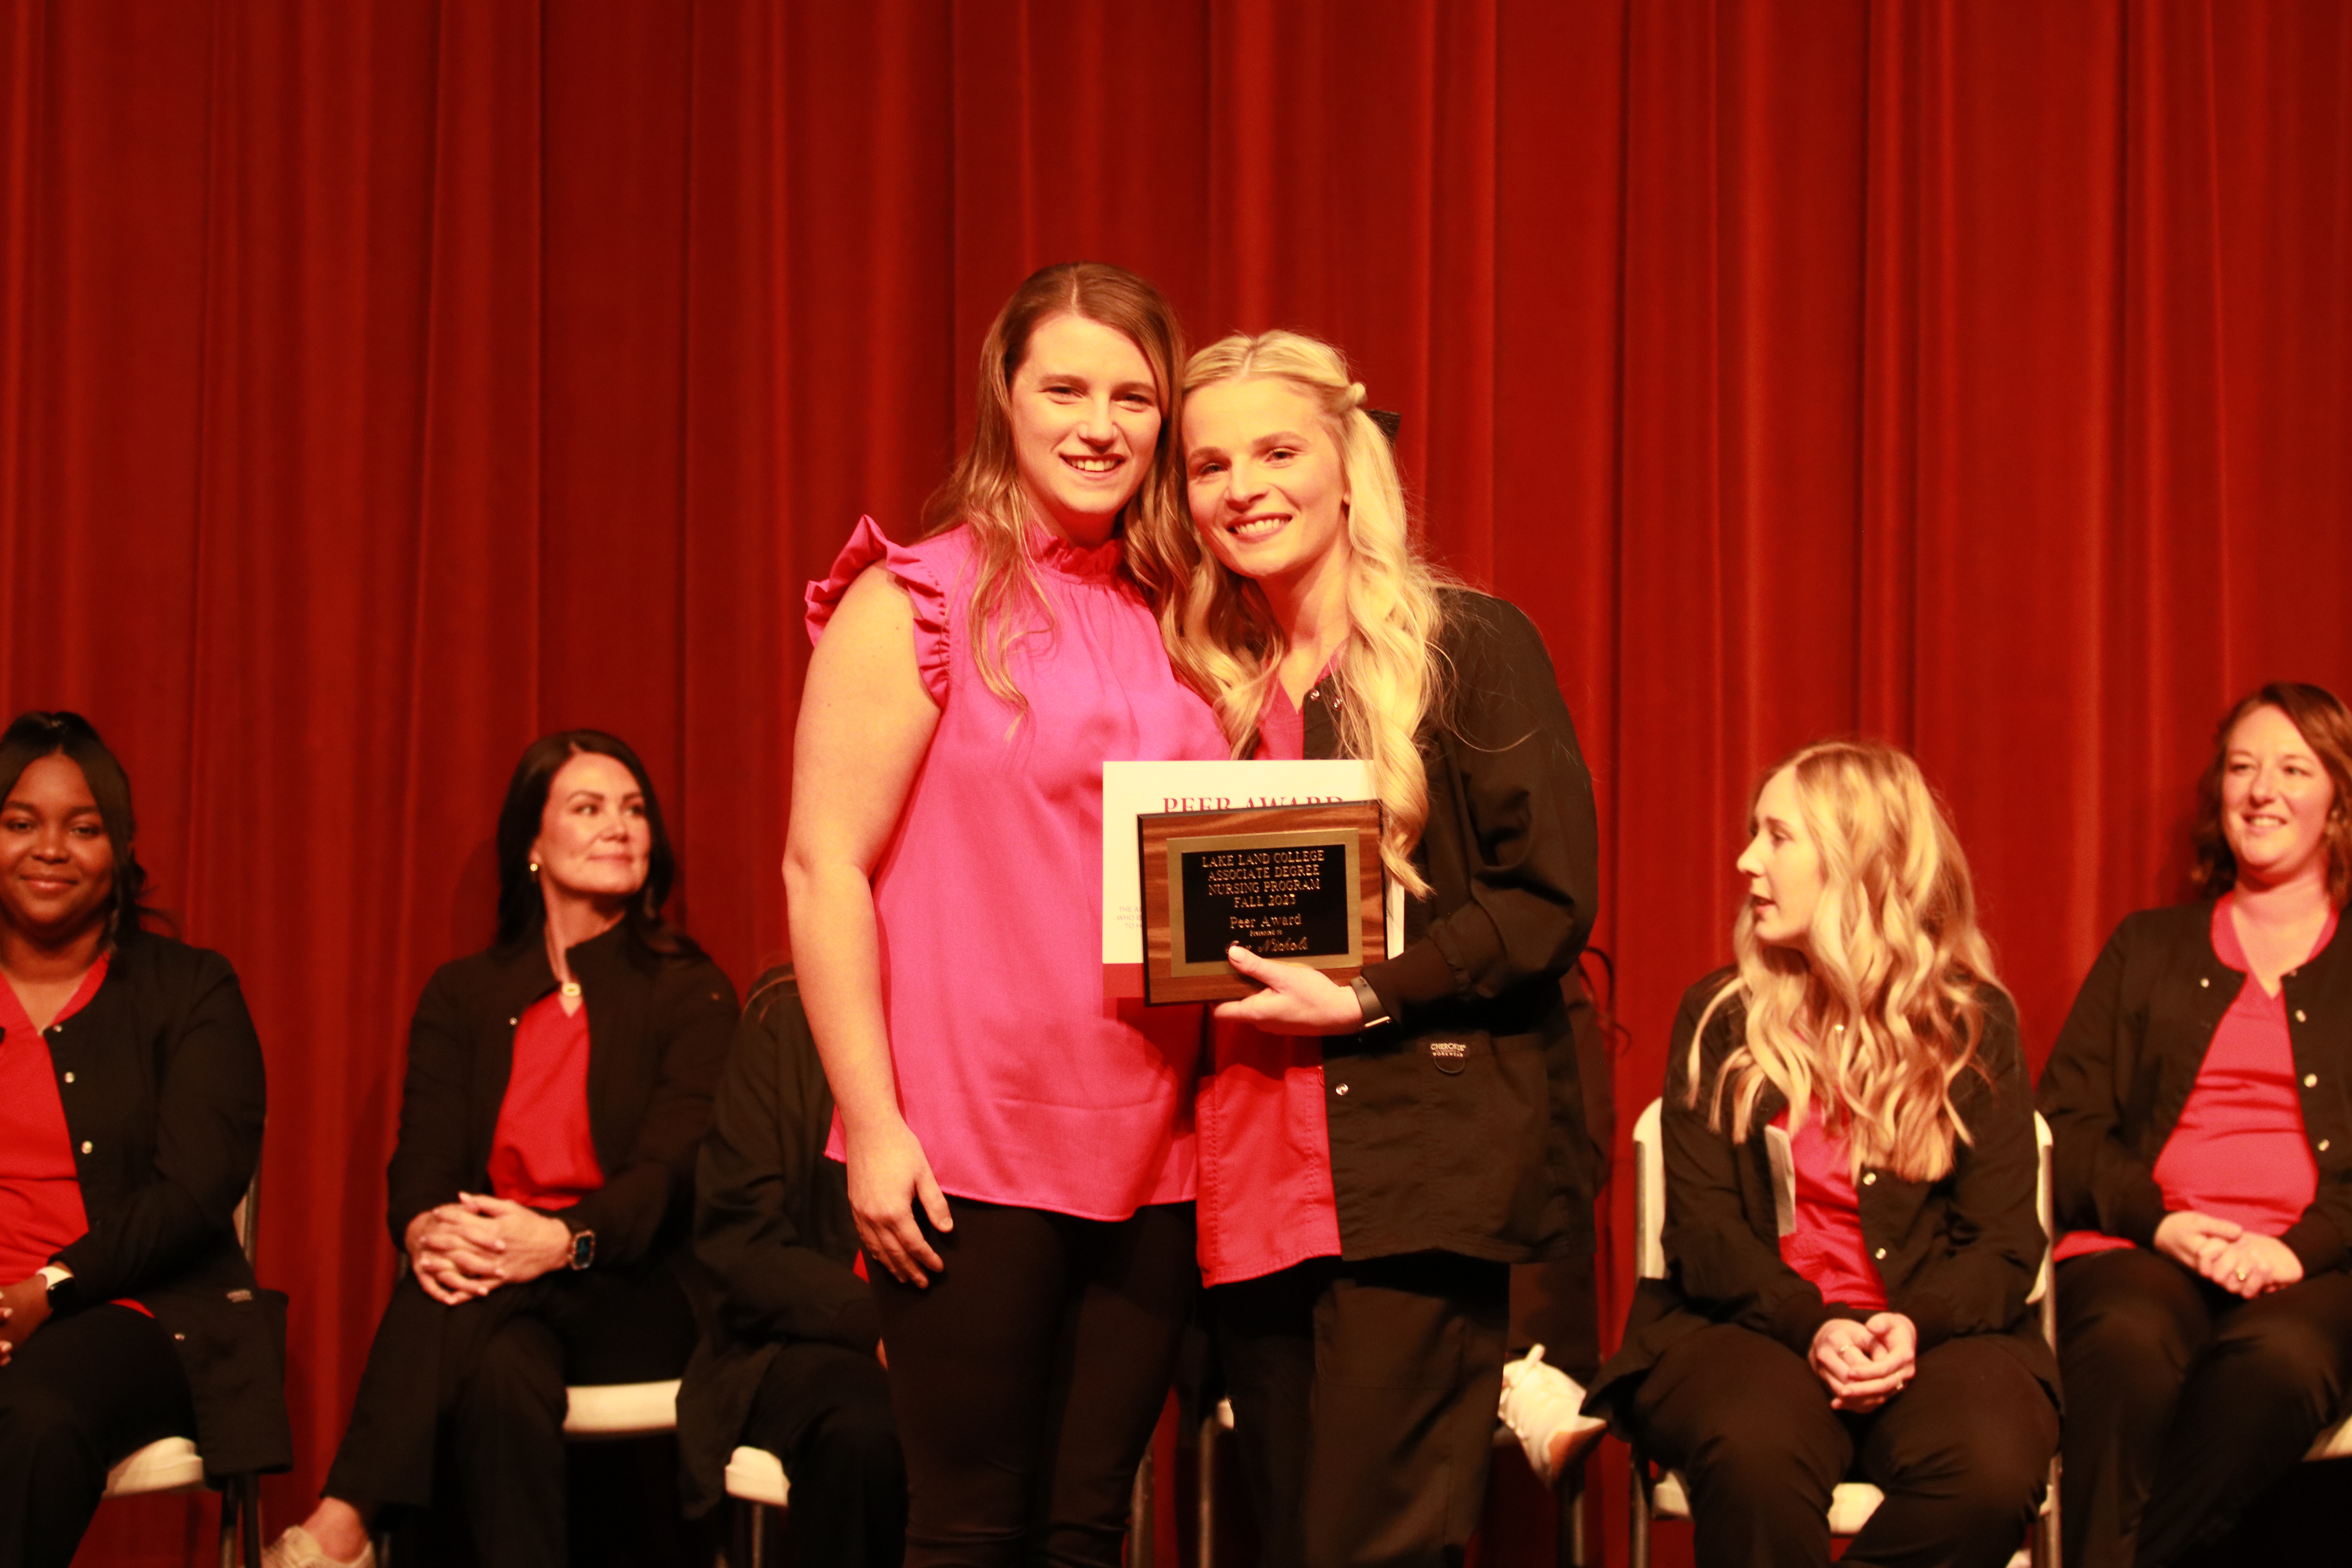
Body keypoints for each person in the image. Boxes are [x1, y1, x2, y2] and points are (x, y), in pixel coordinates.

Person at [785, 261, 1230, 1564]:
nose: (1102, 424)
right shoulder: (916, 597)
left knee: (1091, 1529)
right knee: (972, 1531)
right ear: (1006, 398)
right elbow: (824, 872)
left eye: (1135, 397)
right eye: (1067, 389)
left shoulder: (1192, 616)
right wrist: (872, 1126)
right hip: (965, 1149)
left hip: (1158, 1153)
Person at [1162, 329, 1600, 1566]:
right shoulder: (1200, 684)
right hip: (1243, 1178)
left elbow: (1548, 900)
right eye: (1209, 465)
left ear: (1349, 464)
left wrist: (1364, 997)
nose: (1242, 487)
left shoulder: (1468, 646)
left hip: (1408, 1174)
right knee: (1303, 1543)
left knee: (1377, 1552)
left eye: (1277, 450)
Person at [266, 731, 737, 1568]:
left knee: (473, 1295)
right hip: (499, 1283)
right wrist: (424, 1233)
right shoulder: (465, 994)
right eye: (588, 808)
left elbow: (667, 1175)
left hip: (636, 1288)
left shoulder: (691, 989)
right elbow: (422, 1169)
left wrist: (560, 1239)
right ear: (532, 842)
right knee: (499, 1376)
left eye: (633, 810)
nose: (620, 827)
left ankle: (340, 1523)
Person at [1585, 739, 2058, 1568]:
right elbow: (1705, 1234)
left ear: (1856, 864)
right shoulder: (1721, 1015)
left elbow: (2004, 1242)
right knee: (1755, 1455)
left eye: (1777, 836)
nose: (1746, 860)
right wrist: (1816, 1322)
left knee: (1989, 1468)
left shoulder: (1971, 1023)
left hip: (1933, 1336)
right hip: (1749, 1327)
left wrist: (1915, 1322)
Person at [2037, 681, 2352, 1568]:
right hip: (2147, 1247)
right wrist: (2163, 1221)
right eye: (2244, 767)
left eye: (2295, 768)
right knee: (2126, 1343)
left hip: (2315, 1265)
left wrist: (2300, 1246)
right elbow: (2062, 1125)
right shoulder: (2149, 946)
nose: (2262, 790)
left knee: (2281, 1364)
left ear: (2336, 799)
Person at [0, 710, 289, 1568]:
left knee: (31, 1417)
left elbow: (195, 1190)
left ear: (120, 848)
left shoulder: (190, 988)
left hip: (134, 1313)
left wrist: (47, 1287)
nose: (50, 848)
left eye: (82, 827)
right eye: (20, 823)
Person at [677, 965, 903, 1565]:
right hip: (807, 1334)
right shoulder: (786, 1010)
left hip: (973, 1332)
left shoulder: (995, 1009)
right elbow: (742, 1245)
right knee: (865, 1434)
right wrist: (876, 1328)